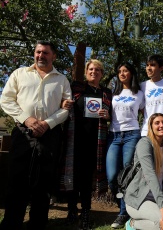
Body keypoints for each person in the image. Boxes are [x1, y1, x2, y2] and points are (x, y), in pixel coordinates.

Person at [0, 40, 71, 230]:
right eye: (38, 52)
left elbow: (66, 108)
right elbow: (6, 100)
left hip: (50, 135)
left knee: (44, 182)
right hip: (22, 132)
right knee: (17, 180)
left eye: (45, 53)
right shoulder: (19, 74)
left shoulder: (62, 80)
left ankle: (38, 223)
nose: (41, 55)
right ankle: (11, 223)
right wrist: (27, 119)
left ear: (53, 56)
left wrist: (47, 124)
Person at [60, 59, 112, 230]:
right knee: (72, 176)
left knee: (87, 178)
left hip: (95, 142)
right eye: (91, 69)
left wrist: (107, 115)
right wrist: (64, 104)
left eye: (98, 70)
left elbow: (112, 115)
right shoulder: (76, 88)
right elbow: (64, 103)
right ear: (86, 72)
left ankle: (86, 212)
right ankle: (72, 210)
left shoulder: (106, 93)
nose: (94, 72)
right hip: (74, 140)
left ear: (102, 74)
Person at [125, 113, 163, 230]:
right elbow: (149, 174)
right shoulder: (144, 143)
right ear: (151, 127)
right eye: (157, 123)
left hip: (157, 196)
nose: (161, 125)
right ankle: (132, 223)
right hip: (139, 199)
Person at [106, 62, 144, 229]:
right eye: (119, 71)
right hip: (114, 135)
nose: (122, 73)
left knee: (127, 175)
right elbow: (109, 115)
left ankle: (123, 213)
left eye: (125, 70)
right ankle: (122, 203)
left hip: (132, 135)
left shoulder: (140, 94)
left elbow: (146, 113)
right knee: (112, 176)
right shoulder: (112, 93)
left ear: (131, 73)